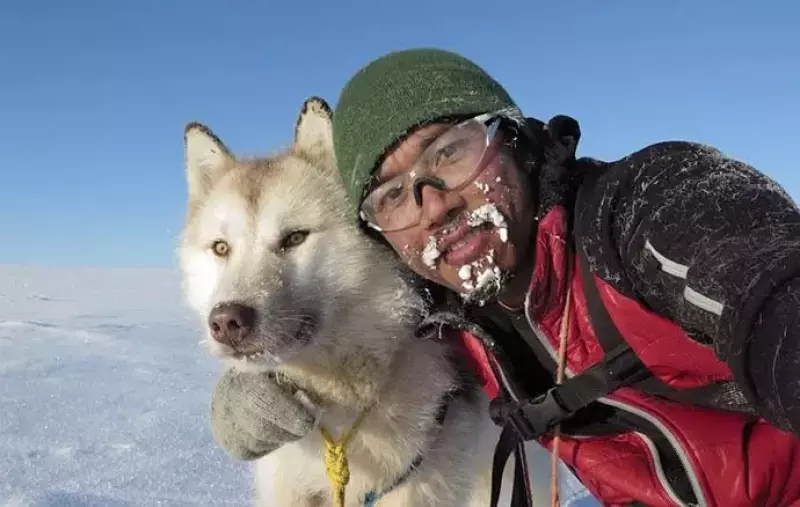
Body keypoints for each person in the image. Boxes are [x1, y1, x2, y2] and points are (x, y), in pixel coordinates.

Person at [208, 48, 800, 506]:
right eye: (393, 196)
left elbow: (768, 286)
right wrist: (252, 385)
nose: (432, 204)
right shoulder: (450, 309)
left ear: (514, 137)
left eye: (448, 152)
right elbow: (362, 345)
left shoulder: (641, 214)